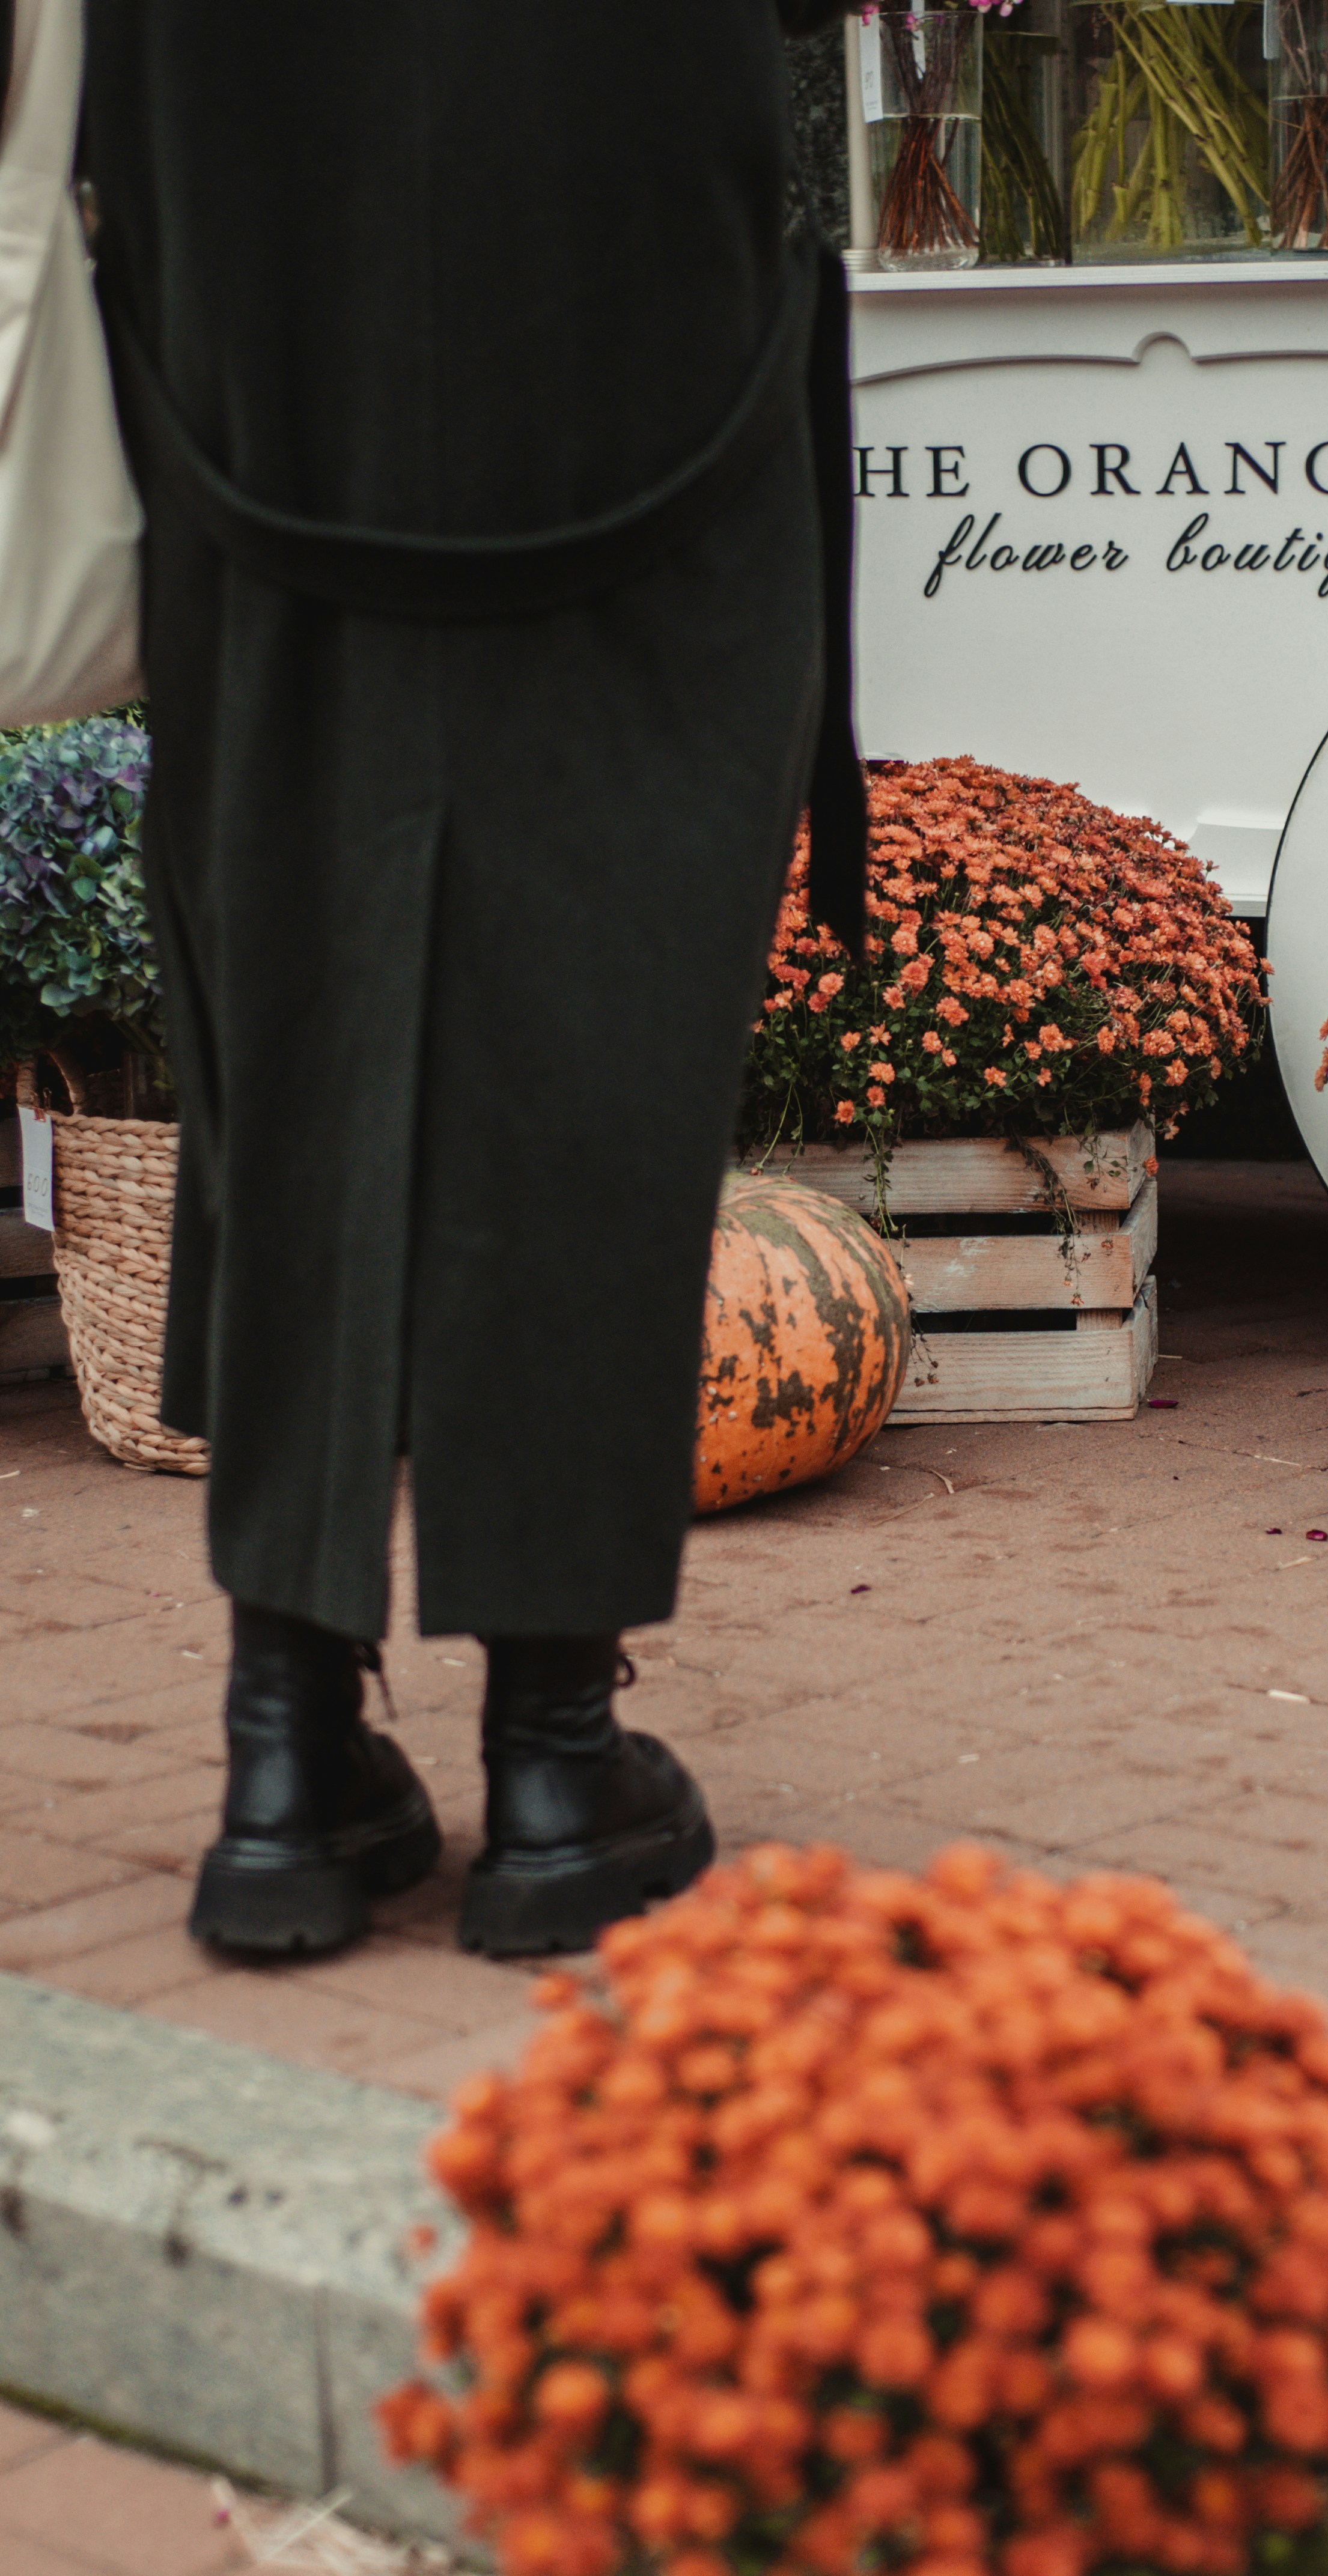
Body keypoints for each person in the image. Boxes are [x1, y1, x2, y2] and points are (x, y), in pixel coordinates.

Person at [78, 0, 864, 1960]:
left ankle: (287, 1745)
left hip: (257, 351)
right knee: (594, 1001)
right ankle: (549, 1751)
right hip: (634, 337)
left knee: (294, 1002)